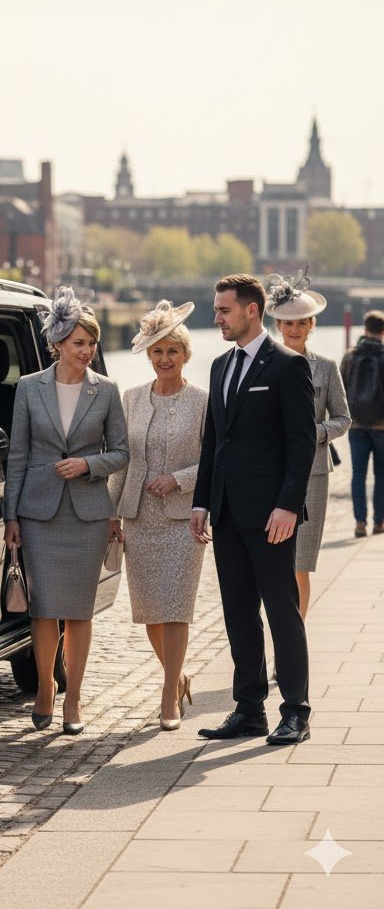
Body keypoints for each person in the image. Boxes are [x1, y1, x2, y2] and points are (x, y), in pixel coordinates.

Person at [191, 274, 316, 745]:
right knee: (238, 614)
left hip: (271, 517)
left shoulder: (288, 366)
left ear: (251, 311)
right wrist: (202, 500)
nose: (217, 318)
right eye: (216, 310)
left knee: (282, 612)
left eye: (224, 310)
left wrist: (288, 506)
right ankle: (248, 710)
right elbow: (213, 441)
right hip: (226, 512)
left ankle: (296, 711)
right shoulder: (220, 366)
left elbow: (301, 443)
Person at [3, 287, 129, 736]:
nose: (87, 350)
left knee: (79, 612)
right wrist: (11, 517)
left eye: (92, 343)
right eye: (79, 343)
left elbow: (121, 452)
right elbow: (17, 456)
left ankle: (73, 696)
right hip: (38, 514)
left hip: (87, 515)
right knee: (43, 610)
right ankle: (45, 689)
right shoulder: (28, 388)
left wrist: (88, 465)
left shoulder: (106, 391)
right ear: (57, 344)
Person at [108, 301, 207, 731]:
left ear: (185, 354)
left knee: (176, 608)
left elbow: (217, 461)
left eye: (172, 351)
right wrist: (112, 514)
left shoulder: (203, 402)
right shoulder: (131, 398)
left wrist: (179, 479)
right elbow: (122, 460)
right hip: (139, 518)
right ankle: (178, 677)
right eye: (157, 352)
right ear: (149, 355)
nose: (164, 359)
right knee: (150, 612)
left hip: (184, 522)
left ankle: (168, 697)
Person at [266, 271, 350, 617]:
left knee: (300, 563)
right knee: (271, 559)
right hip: (269, 472)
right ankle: (277, 628)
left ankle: (295, 636)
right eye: (288, 323)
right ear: (278, 325)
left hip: (313, 473)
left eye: (302, 323)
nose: (295, 329)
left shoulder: (326, 368)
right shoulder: (263, 365)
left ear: (312, 325)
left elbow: (343, 418)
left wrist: (313, 433)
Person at [340, 310, 384, 537]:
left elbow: (341, 389)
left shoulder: (350, 356)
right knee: (381, 475)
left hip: (356, 425)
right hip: (382, 428)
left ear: (365, 329)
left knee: (358, 475)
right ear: (383, 331)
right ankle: (379, 522)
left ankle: (360, 523)